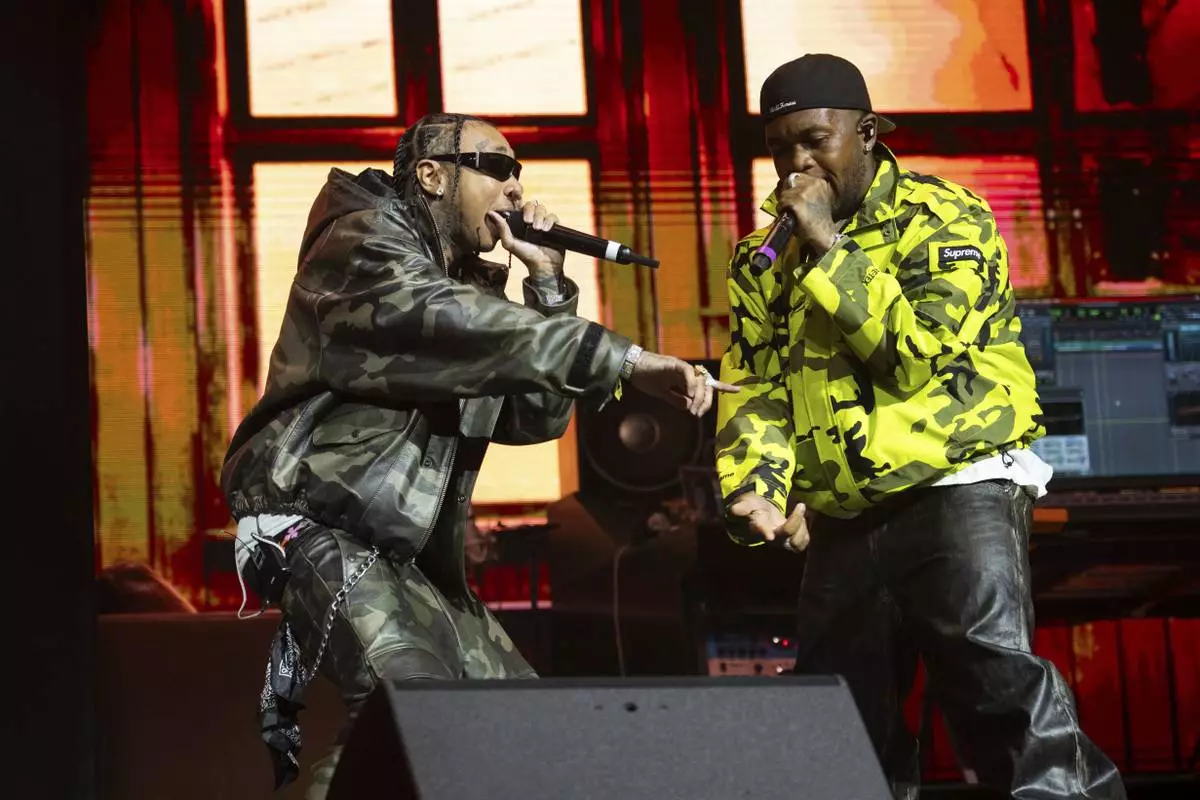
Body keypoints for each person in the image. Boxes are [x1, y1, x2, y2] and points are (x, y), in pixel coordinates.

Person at [222, 111, 736, 799]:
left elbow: (534, 418)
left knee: (518, 726)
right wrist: (627, 359)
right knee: (414, 712)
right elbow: (456, 324)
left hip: (408, 555)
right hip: (315, 526)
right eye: (496, 167)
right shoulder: (361, 248)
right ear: (432, 174)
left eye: (519, 171)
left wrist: (550, 285)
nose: (515, 186)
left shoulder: (466, 283)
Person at [715, 54, 1125, 800]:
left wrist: (829, 250)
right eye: (780, 148)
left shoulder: (948, 218)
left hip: (956, 483)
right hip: (845, 511)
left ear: (866, 132)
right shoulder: (759, 258)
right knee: (839, 725)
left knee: (994, 685)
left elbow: (911, 358)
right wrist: (755, 489)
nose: (796, 164)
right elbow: (755, 385)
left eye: (815, 139)